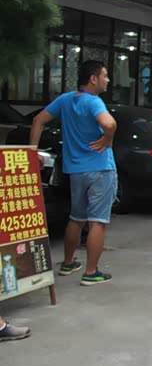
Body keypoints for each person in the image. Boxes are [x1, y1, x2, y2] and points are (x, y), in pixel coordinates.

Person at [31, 60, 117, 286]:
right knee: (97, 222)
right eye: (105, 75)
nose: (107, 80)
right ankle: (91, 272)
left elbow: (38, 120)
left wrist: (33, 151)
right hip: (100, 168)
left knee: (76, 218)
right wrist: (108, 138)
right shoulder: (94, 101)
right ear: (93, 79)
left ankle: (68, 262)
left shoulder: (65, 100)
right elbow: (109, 124)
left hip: (75, 170)